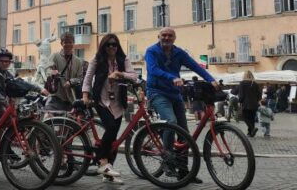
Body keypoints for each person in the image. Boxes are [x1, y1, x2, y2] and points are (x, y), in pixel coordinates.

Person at [145, 27, 217, 184]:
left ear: (174, 38)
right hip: (157, 92)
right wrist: (172, 77)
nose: (167, 38)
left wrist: (211, 79)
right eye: (164, 35)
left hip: (174, 94)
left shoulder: (179, 53)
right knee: (171, 122)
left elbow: (195, 66)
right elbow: (153, 69)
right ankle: (167, 160)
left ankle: (184, 172)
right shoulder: (151, 51)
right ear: (158, 36)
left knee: (184, 133)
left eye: (170, 35)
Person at [82, 33, 137, 184]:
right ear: (103, 46)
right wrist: (85, 95)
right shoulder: (97, 59)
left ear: (117, 46)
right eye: (108, 44)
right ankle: (101, 161)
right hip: (101, 100)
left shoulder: (123, 59)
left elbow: (134, 76)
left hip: (118, 102)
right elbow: (88, 78)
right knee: (111, 127)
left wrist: (119, 74)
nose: (111, 47)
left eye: (114, 44)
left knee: (113, 140)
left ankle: (108, 174)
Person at [45, 32, 85, 113]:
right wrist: (52, 72)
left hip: (71, 99)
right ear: (61, 43)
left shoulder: (78, 61)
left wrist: (71, 82)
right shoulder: (55, 56)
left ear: (73, 43)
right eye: (65, 42)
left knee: (68, 121)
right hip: (56, 97)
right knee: (49, 117)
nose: (68, 44)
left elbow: (80, 78)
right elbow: (46, 70)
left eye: (70, 42)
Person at [232, 70, 261, 137]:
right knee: (252, 118)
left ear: (244, 75)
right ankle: (250, 132)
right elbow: (259, 95)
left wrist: (240, 101)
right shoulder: (255, 83)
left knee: (245, 117)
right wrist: (257, 101)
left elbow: (241, 94)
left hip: (246, 103)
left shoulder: (242, 83)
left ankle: (252, 129)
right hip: (254, 104)